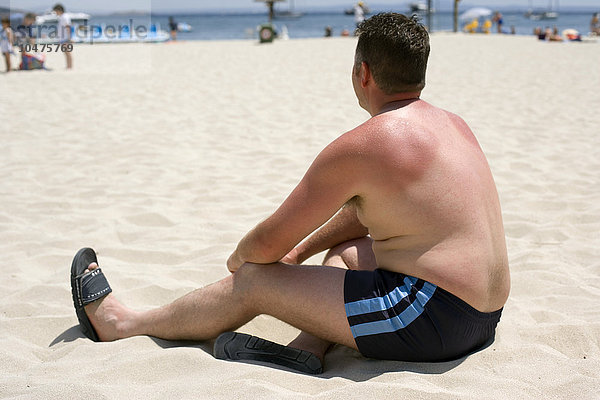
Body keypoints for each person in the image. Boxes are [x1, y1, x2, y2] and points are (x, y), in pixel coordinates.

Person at [70, 13, 509, 374]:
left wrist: (244, 261)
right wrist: (299, 254)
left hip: (432, 318)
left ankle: (123, 324)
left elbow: (263, 247)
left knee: (255, 282)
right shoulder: (454, 125)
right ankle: (309, 347)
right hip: (485, 315)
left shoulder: (367, 143)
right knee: (352, 250)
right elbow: (365, 217)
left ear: (363, 73)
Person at [53, 4, 72, 69]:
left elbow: (68, 27)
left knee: (67, 52)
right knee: (66, 52)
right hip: (63, 38)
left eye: (56, 11)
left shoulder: (65, 17)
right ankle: (68, 66)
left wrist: (69, 37)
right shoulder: (62, 17)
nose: (55, 13)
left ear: (59, 10)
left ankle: (69, 66)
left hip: (65, 38)